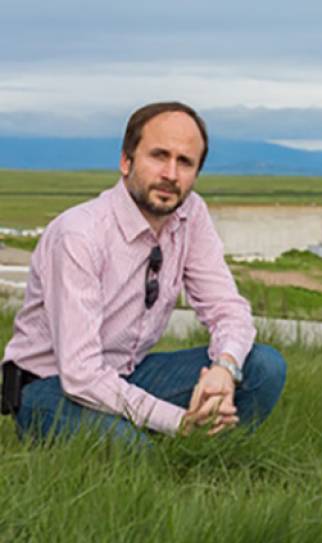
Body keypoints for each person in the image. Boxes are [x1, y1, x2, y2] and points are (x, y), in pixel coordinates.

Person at [1, 101, 286, 444]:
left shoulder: (191, 214)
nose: (170, 174)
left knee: (263, 367)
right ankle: (168, 441)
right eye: (158, 156)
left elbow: (228, 308)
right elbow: (80, 374)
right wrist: (178, 420)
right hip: (51, 388)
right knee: (132, 452)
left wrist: (225, 369)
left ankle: (209, 456)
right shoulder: (79, 234)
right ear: (126, 161)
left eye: (185, 162)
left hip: (130, 374)